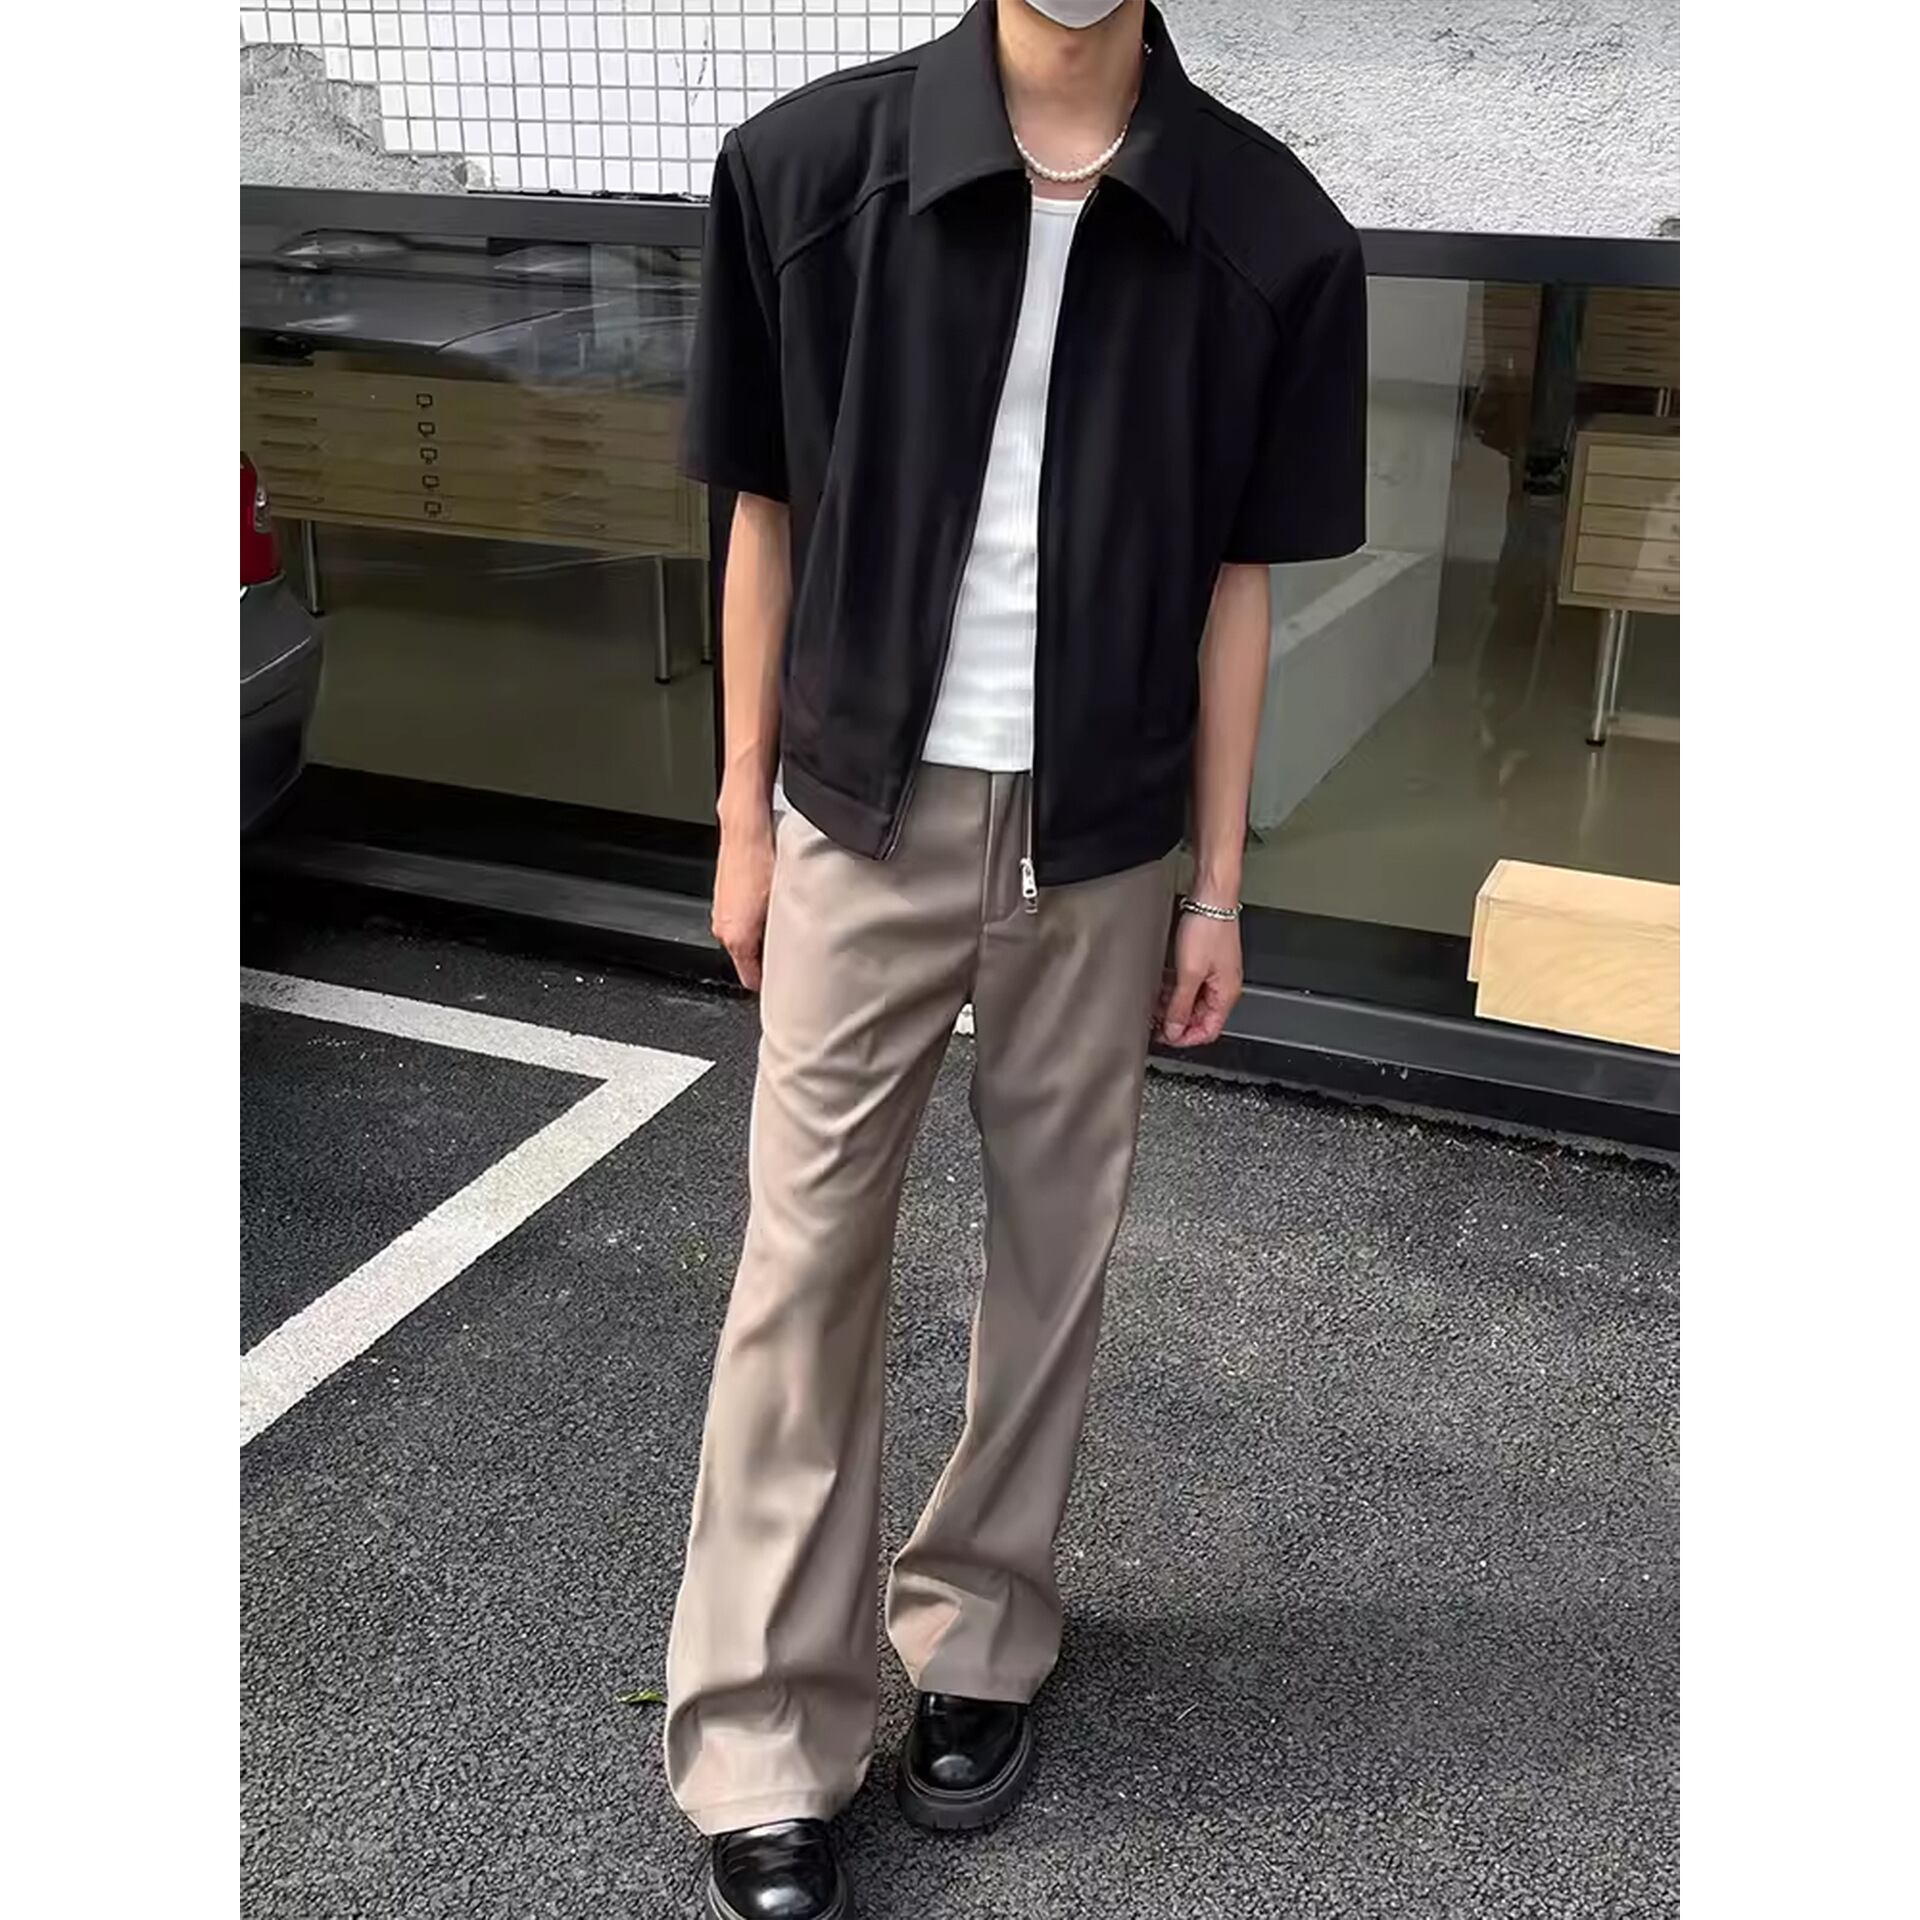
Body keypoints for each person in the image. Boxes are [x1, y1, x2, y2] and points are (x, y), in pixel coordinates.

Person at [665, 3, 1368, 1913]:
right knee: (804, 1262)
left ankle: (980, 1631)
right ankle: (766, 1731)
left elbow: (1240, 585)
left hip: (1108, 837)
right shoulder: (812, 172)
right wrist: (742, 817)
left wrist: (1218, 885)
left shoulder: (1268, 226)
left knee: (1056, 1251)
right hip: (857, 814)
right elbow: (760, 512)